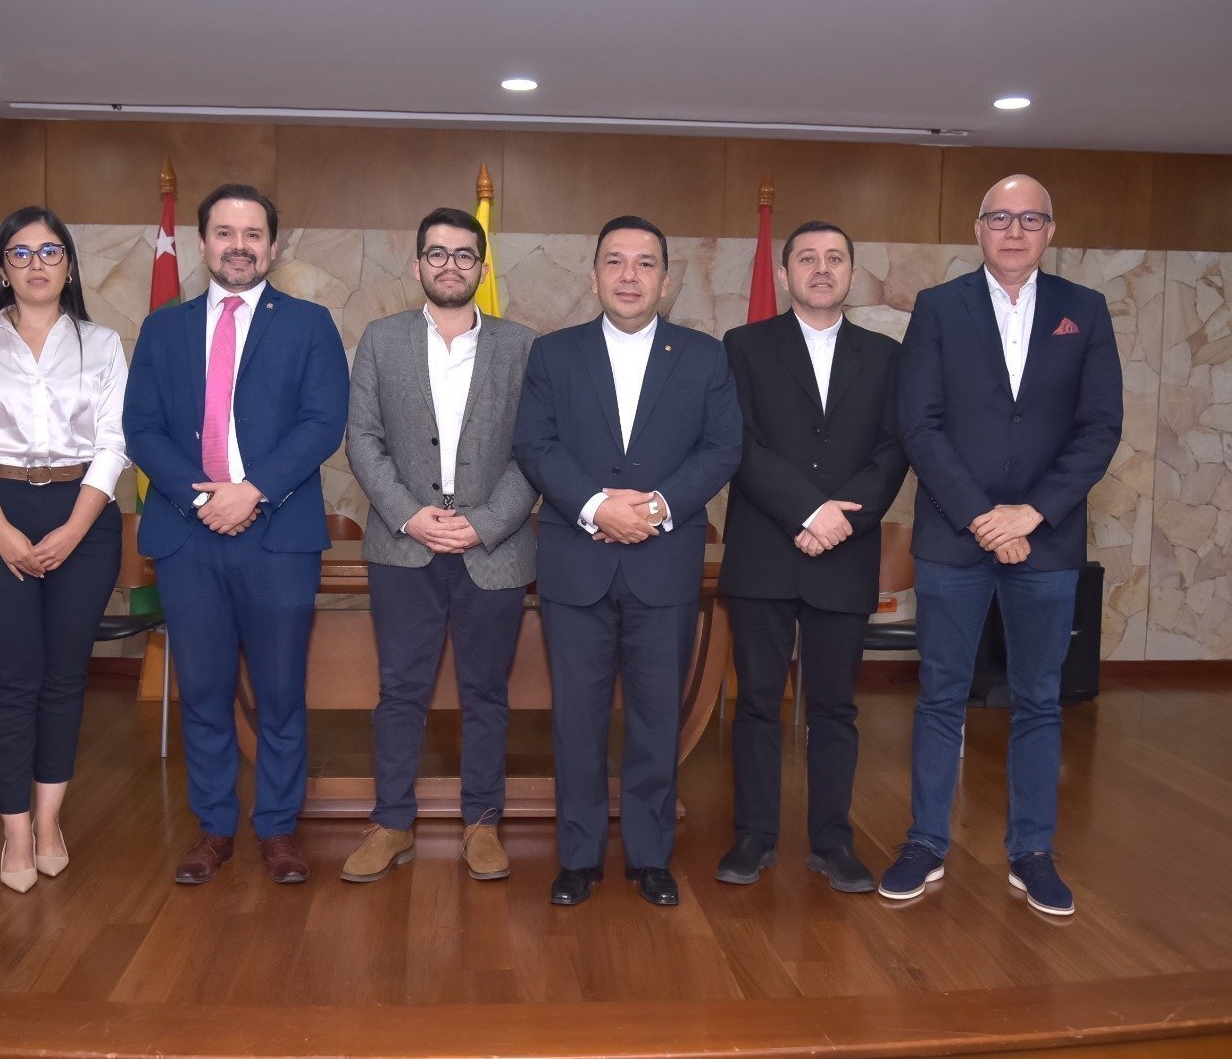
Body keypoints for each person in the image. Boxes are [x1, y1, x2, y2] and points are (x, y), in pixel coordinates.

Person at [880, 174, 1122, 916]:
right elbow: (918, 423)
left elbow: (1098, 429)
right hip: (956, 540)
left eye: (1029, 218)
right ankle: (924, 843)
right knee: (941, 696)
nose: (1013, 230)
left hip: (1045, 548)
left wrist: (1032, 516)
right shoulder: (939, 308)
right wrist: (985, 515)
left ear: (1050, 230)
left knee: (1041, 702)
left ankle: (1032, 852)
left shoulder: (1084, 312)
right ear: (979, 230)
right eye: (999, 218)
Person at [124, 183, 349, 886]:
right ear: (202, 243)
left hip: (276, 535)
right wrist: (203, 502)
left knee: (281, 694)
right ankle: (215, 827)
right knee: (205, 690)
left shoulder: (309, 325)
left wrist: (251, 491)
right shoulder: (163, 329)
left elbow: (323, 421)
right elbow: (143, 429)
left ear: (274, 246)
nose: (240, 245)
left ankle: (278, 830)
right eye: (225, 232)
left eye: (254, 234)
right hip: (190, 539)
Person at [514, 216, 741, 907]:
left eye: (645, 263)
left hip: (664, 562)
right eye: (615, 261)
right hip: (575, 562)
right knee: (576, 720)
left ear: (665, 279)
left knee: (655, 717)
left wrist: (657, 507)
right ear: (594, 276)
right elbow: (536, 444)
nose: (630, 275)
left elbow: (722, 448)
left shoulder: (704, 357)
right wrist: (593, 506)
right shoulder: (553, 355)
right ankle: (579, 857)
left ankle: (649, 856)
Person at [0, 206, 128, 894]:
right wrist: (4, 531)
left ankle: (50, 821)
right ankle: (14, 830)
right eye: (21, 253)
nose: (38, 262)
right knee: (11, 678)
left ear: (69, 266)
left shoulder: (101, 344)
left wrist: (73, 530)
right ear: (1, 269)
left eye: (51, 251)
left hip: (85, 514)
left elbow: (114, 443)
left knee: (64, 676)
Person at [341, 208, 538, 883]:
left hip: (495, 550)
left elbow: (536, 450)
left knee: (487, 693)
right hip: (405, 547)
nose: (449, 265)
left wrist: (485, 522)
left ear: (482, 268)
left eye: (463, 255)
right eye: (436, 254)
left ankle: (482, 824)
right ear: (418, 264)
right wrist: (408, 515)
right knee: (400, 692)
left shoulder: (521, 345)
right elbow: (361, 439)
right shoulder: (382, 339)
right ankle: (391, 824)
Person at [718, 221, 908, 893]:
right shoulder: (743, 347)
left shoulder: (886, 357)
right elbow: (737, 445)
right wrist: (809, 512)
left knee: (835, 710)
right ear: (784, 274)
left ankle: (832, 841)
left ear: (851, 273)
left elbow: (893, 452)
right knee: (758, 706)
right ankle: (755, 835)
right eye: (807, 258)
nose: (821, 269)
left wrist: (838, 520)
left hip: (844, 556)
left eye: (834, 259)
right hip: (765, 554)